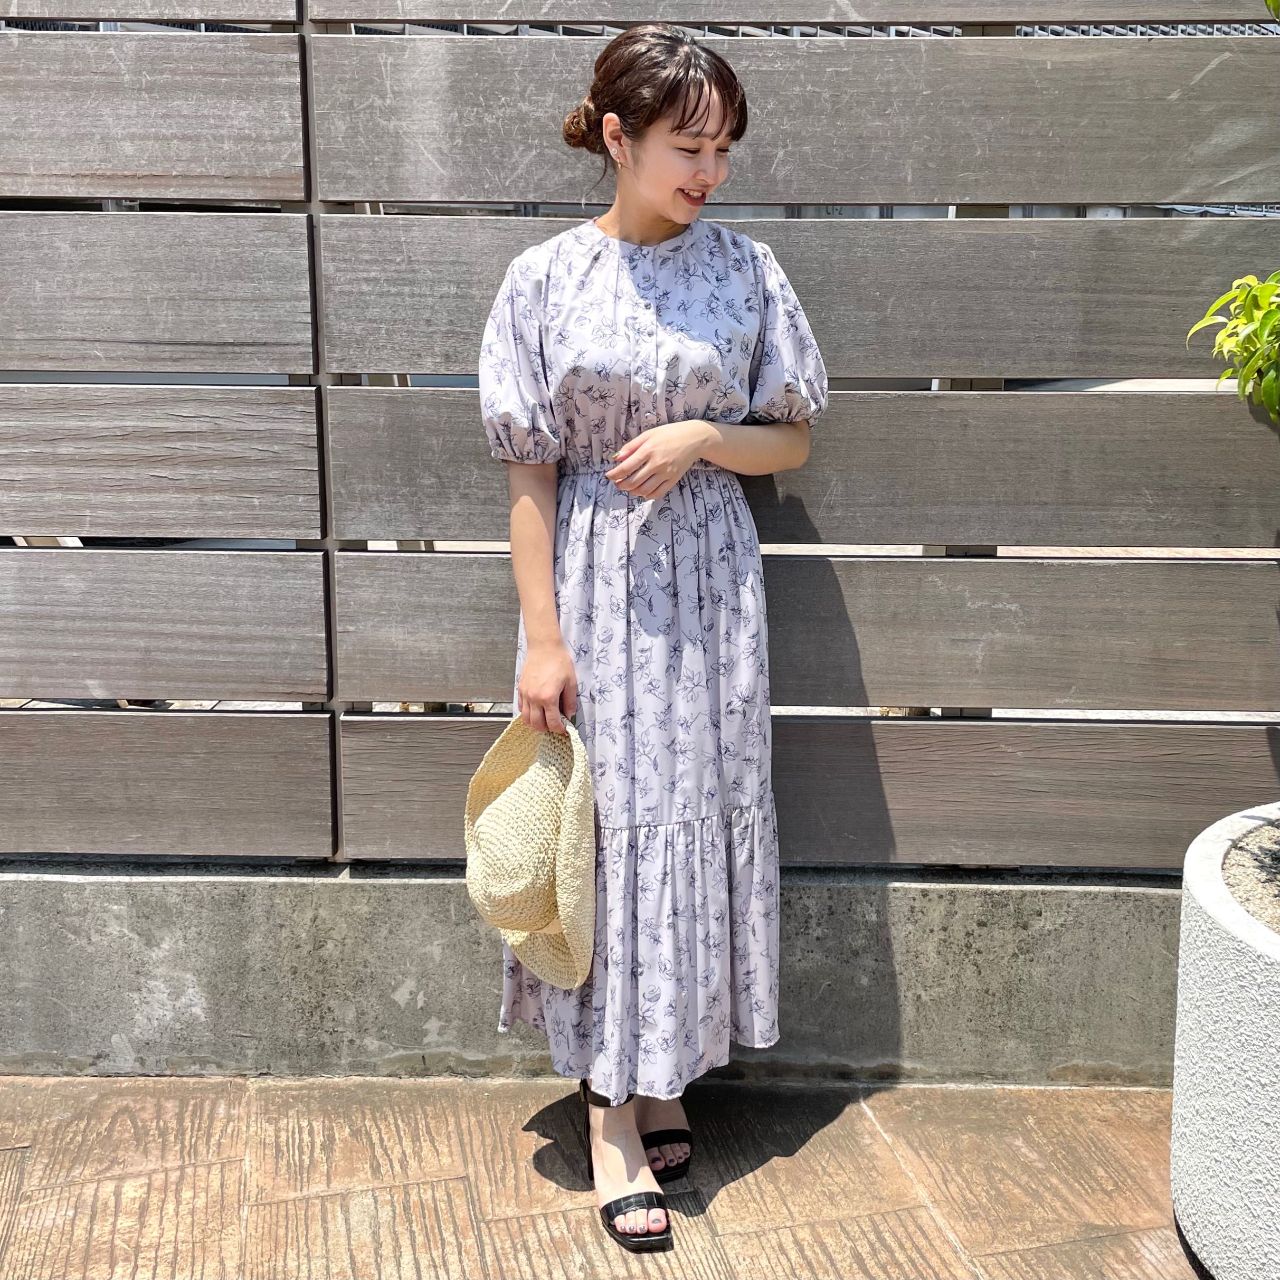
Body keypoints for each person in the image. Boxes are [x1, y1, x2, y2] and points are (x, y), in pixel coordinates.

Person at [477, 21, 828, 1252]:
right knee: (610, 831)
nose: (709, 172)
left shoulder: (746, 270)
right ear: (617, 138)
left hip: (710, 588)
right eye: (688, 147)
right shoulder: (542, 280)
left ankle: (661, 1064)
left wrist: (702, 438)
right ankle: (609, 1109)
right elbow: (527, 475)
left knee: (693, 812)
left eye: (723, 148)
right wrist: (540, 641)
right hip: (591, 582)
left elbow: (791, 435)